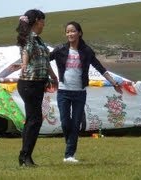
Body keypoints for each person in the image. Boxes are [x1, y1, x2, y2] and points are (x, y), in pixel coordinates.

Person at [49, 21, 122, 163]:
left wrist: (113, 82)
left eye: (73, 31)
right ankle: (69, 144)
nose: (70, 34)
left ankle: (69, 155)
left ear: (80, 33)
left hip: (79, 92)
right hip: (63, 91)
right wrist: (50, 75)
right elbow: (43, 60)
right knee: (65, 123)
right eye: (67, 31)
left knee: (75, 123)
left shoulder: (86, 51)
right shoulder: (60, 50)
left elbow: (100, 68)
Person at [16, 9, 57, 167]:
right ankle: (25, 156)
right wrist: (24, 63)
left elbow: (44, 61)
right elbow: (26, 51)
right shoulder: (29, 38)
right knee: (35, 120)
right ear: (37, 21)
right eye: (42, 20)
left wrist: (53, 76)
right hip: (29, 83)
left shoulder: (39, 40)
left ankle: (24, 156)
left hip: (38, 83)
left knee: (33, 120)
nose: (44, 24)